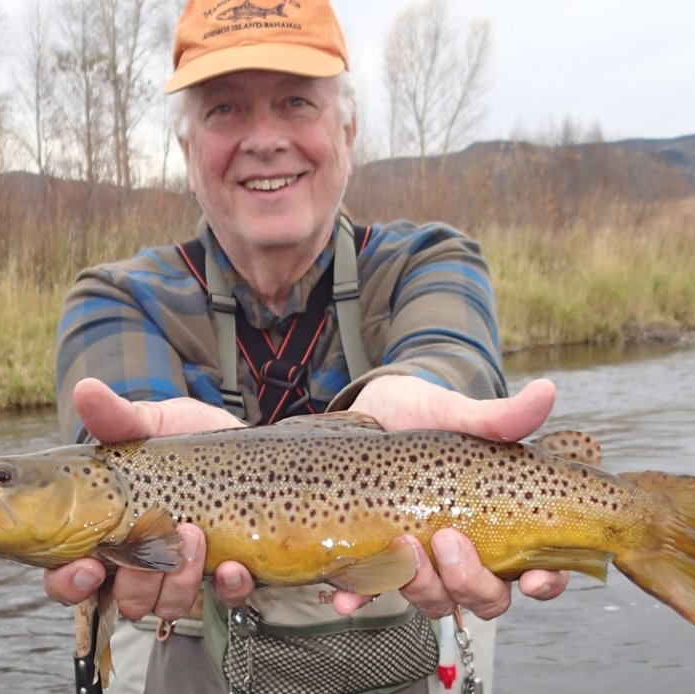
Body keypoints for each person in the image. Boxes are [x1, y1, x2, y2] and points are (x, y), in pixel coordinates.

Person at [46, 0, 568, 692]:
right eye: (225, 109)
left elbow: (451, 359)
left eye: (296, 102)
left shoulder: (432, 260)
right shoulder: (116, 296)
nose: (264, 139)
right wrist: (160, 483)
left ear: (347, 128)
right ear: (186, 149)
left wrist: (413, 406)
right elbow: (107, 461)